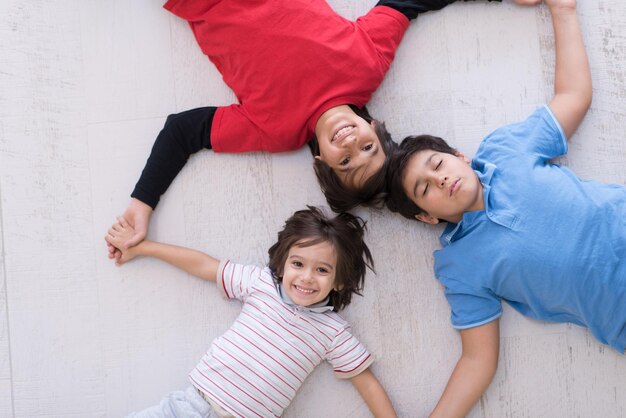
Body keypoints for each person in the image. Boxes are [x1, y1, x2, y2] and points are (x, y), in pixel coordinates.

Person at [107, 0, 506, 261]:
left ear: (323, 162)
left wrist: (141, 208)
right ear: (374, 126)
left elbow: (184, 131)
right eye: (368, 147)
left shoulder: (276, 130)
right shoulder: (367, 65)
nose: (351, 144)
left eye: (346, 161)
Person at [386, 0, 625, 416]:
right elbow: (477, 361)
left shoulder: (504, 151)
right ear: (427, 216)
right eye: (426, 190)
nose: (440, 180)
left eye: (438, 165)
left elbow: (574, 96)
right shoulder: (459, 266)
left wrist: (562, 9)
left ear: (460, 156)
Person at [105, 206, 397, 417]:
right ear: (282, 266)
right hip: (190, 406)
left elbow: (367, 383)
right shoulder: (261, 284)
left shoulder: (333, 332)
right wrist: (144, 248)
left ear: (340, 281)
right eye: (298, 264)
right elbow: (205, 266)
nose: (307, 277)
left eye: (322, 270)